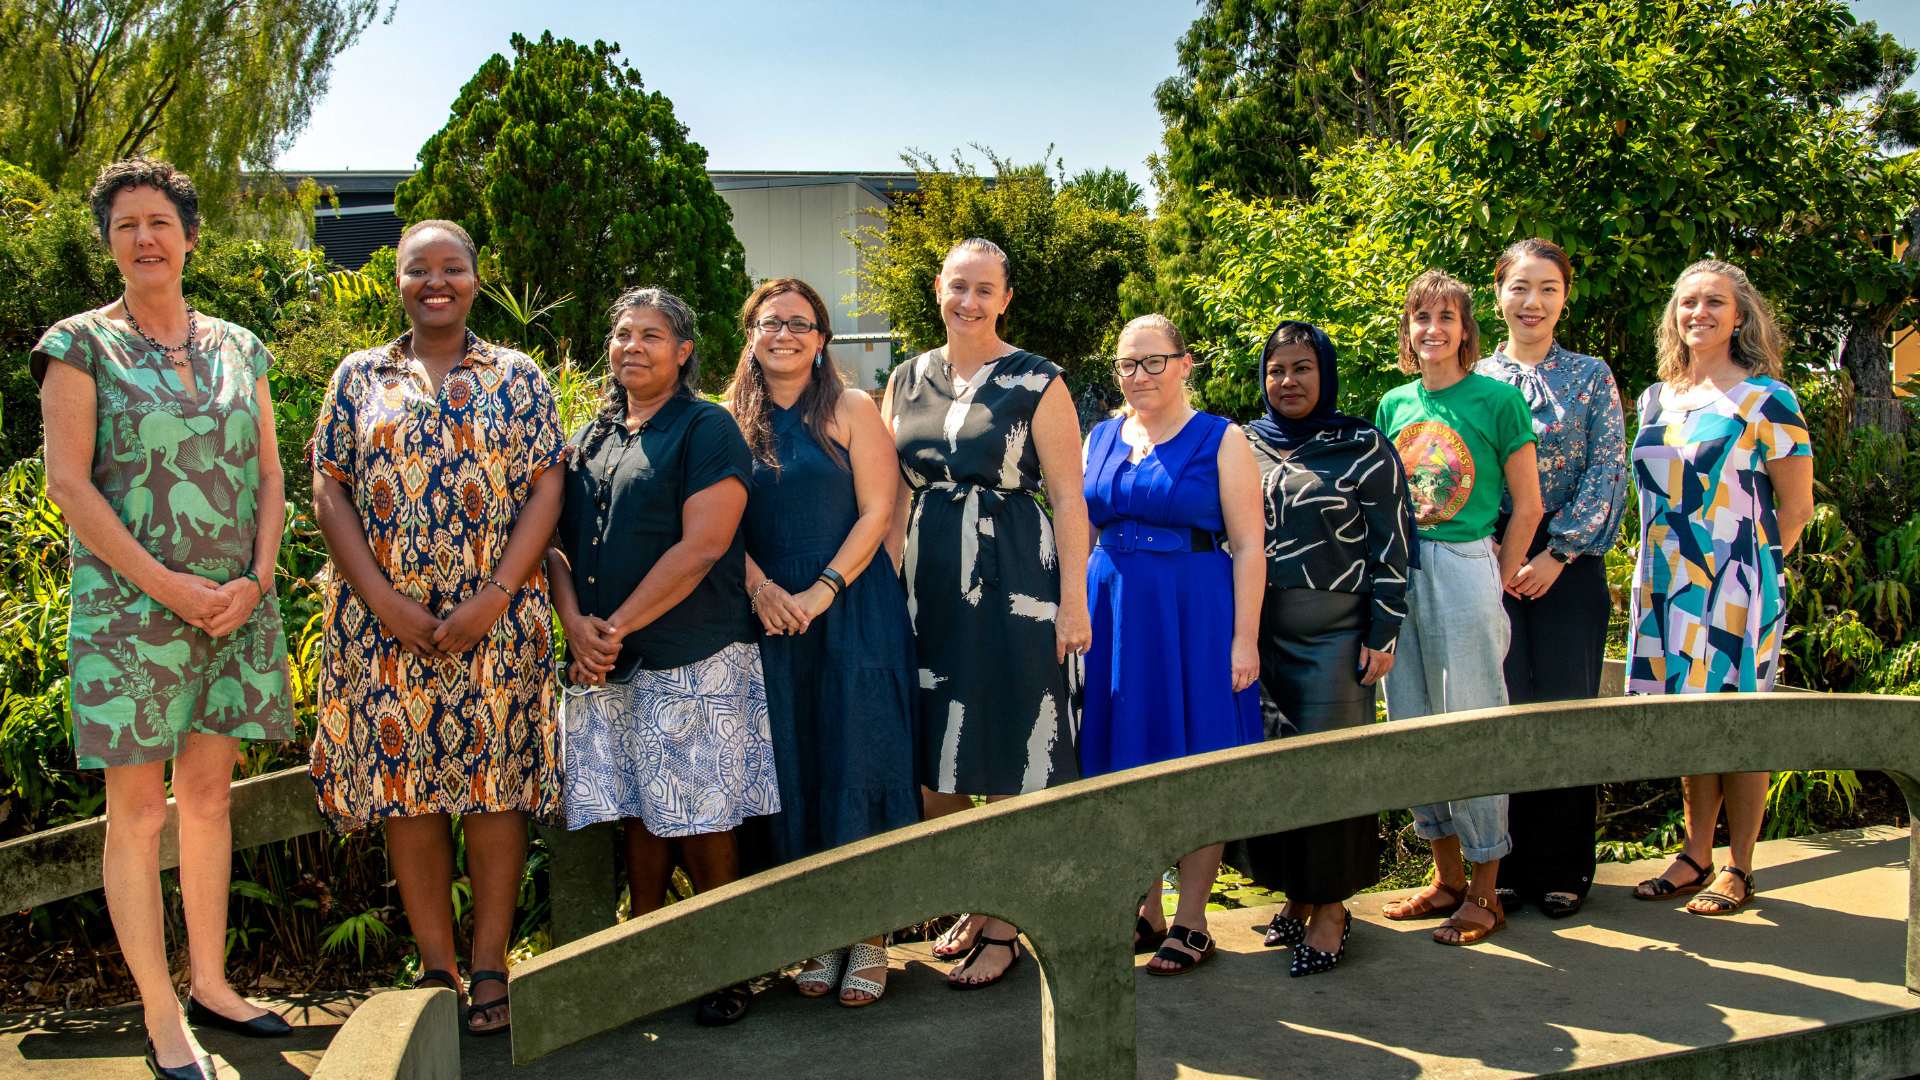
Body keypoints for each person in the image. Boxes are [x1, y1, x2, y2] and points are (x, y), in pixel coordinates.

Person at [37, 157, 296, 1080]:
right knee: (140, 813)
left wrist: (257, 583)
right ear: (109, 243)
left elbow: (271, 474)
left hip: (233, 610)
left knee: (212, 801)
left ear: (189, 236)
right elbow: (70, 486)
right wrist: (171, 587)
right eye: (124, 225)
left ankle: (214, 984)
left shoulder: (240, 345)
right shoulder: (79, 346)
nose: (144, 237)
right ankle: (160, 1012)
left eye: (159, 222)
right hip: (129, 617)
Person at [308, 219, 564, 1037]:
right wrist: (384, 602)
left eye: (452, 267)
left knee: (495, 793)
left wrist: (495, 594)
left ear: (475, 280)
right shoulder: (359, 376)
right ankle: (436, 967)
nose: (437, 282)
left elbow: (546, 486)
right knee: (407, 794)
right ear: (397, 281)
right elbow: (329, 488)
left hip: (498, 624)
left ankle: (491, 963)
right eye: (420, 269)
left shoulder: (518, 375)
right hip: (384, 630)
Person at [549, 286, 779, 1026]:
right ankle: (642, 955)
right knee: (637, 809)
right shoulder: (593, 435)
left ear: (684, 351)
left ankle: (725, 965)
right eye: (622, 334)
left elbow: (705, 545)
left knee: (702, 814)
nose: (632, 347)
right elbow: (551, 541)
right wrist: (575, 623)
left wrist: (608, 626)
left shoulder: (706, 428)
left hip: (693, 653)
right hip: (606, 655)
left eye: (651, 335)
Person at [882, 237, 1092, 990]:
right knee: (936, 755)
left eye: (985, 289)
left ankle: (1007, 926)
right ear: (937, 288)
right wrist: (886, 590)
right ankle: (977, 894)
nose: (968, 301)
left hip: (1015, 580)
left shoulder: (1039, 380)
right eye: (957, 286)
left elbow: (1069, 497)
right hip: (928, 581)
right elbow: (893, 494)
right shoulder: (905, 378)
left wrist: (1074, 604)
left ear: (1005, 298)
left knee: (1012, 741)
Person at [726, 277, 918, 1007]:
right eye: (770, 322)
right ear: (749, 334)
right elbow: (714, 525)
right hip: (767, 618)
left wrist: (820, 592)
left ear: (822, 337)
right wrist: (762, 591)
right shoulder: (727, 421)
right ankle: (811, 932)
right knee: (793, 766)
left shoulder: (851, 407)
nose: (785, 334)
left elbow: (878, 512)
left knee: (858, 756)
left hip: (851, 608)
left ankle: (868, 934)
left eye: (800, 323)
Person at [1627, 260, 1814, 917]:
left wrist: (1745, 573)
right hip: (1665, 585)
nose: (1698, 312)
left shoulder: (1769, 401)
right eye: (1687, 302)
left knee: (1738, 723)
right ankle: (1694, 853)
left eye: (1714, 302)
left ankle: (1740, 867)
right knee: (1688, 722)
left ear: (1741, 317)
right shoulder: (1655, 399)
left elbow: (1796, 509)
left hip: (1737, 584)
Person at [1079, 314, 1263, 977]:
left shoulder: (1222, 439)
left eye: (1154, 361)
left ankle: (1192, 920)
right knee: (1123, 759)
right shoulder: (1099, 436)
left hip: (1195, 615)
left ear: (1186, 364)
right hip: (1115, 617)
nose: (1139, 376)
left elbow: (1247, 546)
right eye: (1128, 364)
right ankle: (1144, 908)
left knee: (1197, 754)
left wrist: (1245, 640)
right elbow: (1082, 531)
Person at [1235, 320, 1410, 977]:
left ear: (1324, 373)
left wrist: (1383, 631)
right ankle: (1297, 893)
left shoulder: (1362, 444)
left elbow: (1394, 542)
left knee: (1333, 775)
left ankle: (1333, 909)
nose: (1288, 381)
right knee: (1272, 772)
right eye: (1277, 369)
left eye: (1302, 368)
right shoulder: (1242, 443)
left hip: (1336, 638)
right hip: (1258, 639)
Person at [1374, 269, 1542, 946]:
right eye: (1421, 318)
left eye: (1446, 318)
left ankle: (1485, 889)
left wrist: (1493, 579)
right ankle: (1443, 877)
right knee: (1410, 721)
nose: (1433, 330)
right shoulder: (1392, 405)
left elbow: (1526, 506)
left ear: (1466, 329)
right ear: (1408, 330)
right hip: (1400, 573)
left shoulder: (1498, 402)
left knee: (1473, 724)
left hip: (1466, 563)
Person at [1476, 239, 1628, 920]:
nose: (1532, 302)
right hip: (1487, 560)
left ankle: (1566, 869)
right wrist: (1500, 555)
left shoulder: (1592, 376)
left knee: (1565, 714)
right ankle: (1505, 868)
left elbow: (1607, 471)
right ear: (1499, 294)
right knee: (1503, 712)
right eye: (1520, 288)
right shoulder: (1474, 377)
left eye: (1547, 288)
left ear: (1566, 297)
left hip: (1570, 563)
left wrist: (1557, 554)